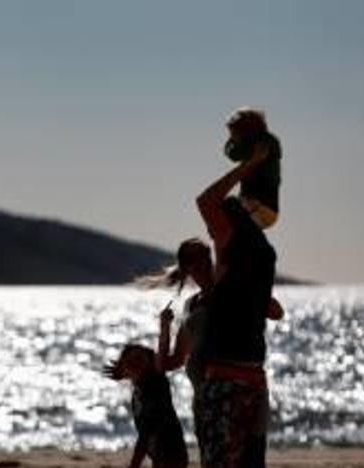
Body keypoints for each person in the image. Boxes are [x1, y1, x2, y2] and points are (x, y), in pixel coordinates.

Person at [188, 142, 278, 468]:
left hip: (227, 382)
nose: (211, 234)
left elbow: (205, 200)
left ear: (228, 226)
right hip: (254, 379)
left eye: (213, 228)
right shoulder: (264, 256)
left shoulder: (231, 253)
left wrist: (249, 165)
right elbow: (269, 308)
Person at [153, 239, 284, 452]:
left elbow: (276, 312)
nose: (202, 265)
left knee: (249, 459)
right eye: (193, 261)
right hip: (206, 402)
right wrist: (165, 329)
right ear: (186, 269)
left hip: (241, 392)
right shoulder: (191, 305)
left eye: (205, 258)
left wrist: (247, 284)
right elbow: (172, 362)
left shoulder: (232, 288)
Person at [103, 344, 189, 468]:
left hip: (171, 453)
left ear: (150, 364)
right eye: (130, 360)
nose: (134, 363)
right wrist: (124, 371)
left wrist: (134, 464)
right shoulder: (140, 386)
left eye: (139, 359)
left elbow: (145, 433)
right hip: (160, 454)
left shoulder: (156, 385)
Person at [223, 107, 282, 230]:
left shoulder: (264, 142)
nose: (233, 137)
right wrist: (233, 138)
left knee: (227, 220)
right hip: (260, 206)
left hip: (261, 207)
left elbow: (233, 154)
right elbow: (232, 154)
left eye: (234, 133)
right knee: (225, 214)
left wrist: (234, 140)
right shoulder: (260, 140)